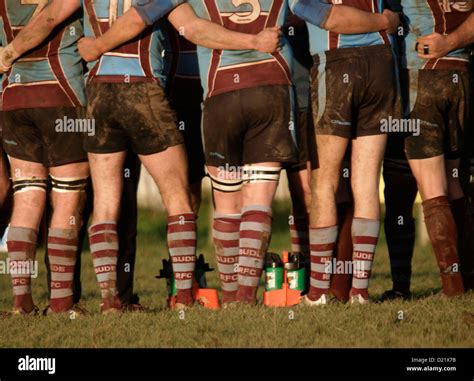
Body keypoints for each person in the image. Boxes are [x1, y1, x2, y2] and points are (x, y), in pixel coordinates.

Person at [110, 0, 399, 305]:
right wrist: (383, 22)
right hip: (274, 88)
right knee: (269, 198)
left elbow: (182, 24)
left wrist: (97, 44)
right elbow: (309, 14)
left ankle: (225, 295)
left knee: (226, 202)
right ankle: (336, 291)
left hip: (220, 92)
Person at [4, 0, 282, 311]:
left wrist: (11, 54)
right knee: (177, 198)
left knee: (105, 205)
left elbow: (52, 17)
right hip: (141, 89)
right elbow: (181, 25)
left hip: (96, 92)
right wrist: (253, 42)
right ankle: (185, 298)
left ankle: (109, 301)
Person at [304, 0, 400, 306]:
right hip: (383, 64)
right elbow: (394, 17)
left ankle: (318, 292)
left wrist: (381, 22)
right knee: (367, 180)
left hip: (336, 64)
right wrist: (385, 21)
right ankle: (359, 290)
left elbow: (322, 15)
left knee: (324, 182)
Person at [0, 1, 89, 315]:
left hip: (13, 96)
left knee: (26, 197)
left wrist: (8, 55)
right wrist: (10, 51)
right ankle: (62, 303)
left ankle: (21, 302)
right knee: (67, 197)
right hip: (61, 93)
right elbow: (52, 16)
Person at [392, 0, 472, 296]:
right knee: (453, 183)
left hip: (421, 76)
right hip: (461, 74)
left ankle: (452, 286)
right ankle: (468, 277)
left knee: (432, 187)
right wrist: (452, 41)